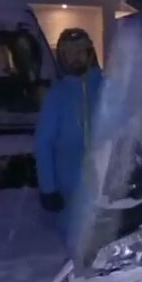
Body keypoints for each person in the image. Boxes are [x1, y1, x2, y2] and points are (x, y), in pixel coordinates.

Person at [35, 28, 104, 244]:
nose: (75, 58)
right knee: (78, 249)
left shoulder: (107, 88)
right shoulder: (57, 96)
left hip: (108, 188)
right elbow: (43, 144)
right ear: (62, 58)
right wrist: (48, 188)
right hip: (71, 193)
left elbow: (126, 127)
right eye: (69, 53)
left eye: (80, 51)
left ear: (90, 53)